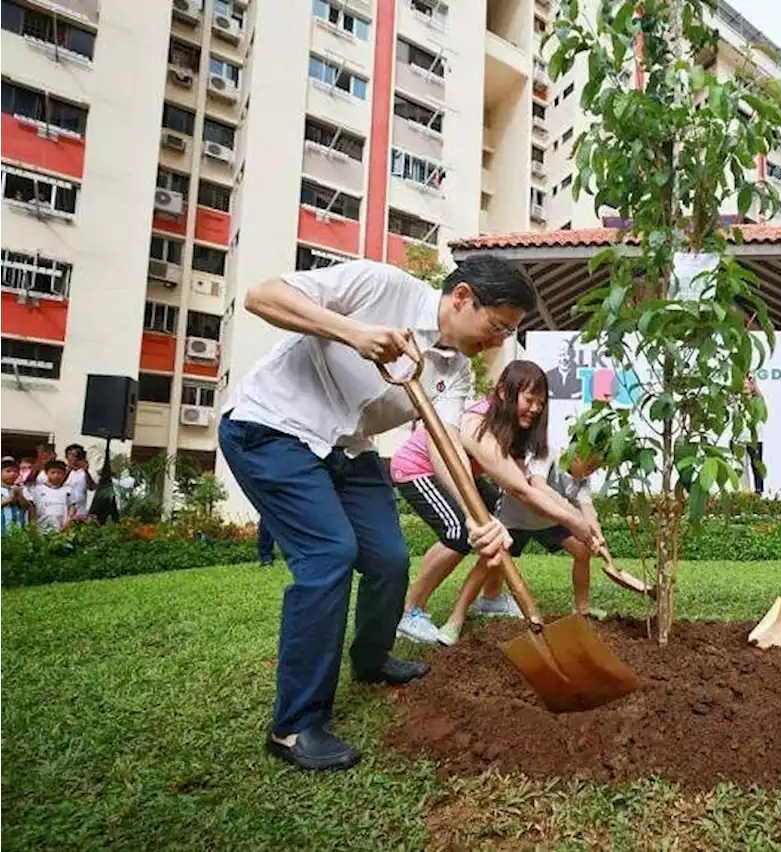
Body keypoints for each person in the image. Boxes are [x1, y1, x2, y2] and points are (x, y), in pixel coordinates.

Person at [218, 255, 535, 772]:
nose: (498, 340)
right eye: (496, 325)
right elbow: (261, 295)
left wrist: (477, 518)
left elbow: (445, 447)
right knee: (329, 555)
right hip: (271, 428)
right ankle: (294, 727)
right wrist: (353, 333)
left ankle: (370, 658)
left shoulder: (454, 370)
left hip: (347, 447)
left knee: (388, 558)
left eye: (507, 332)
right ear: (461, 298)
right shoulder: (382, 285)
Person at [393, 360, 600, 644]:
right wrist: (574, 521)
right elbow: (520, 490)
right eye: (529, 399)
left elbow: (523, 482)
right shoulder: (478, 422)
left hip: (462, 474)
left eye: (541, 403)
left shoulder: (514, 428)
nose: (536, 408)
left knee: (499, 523)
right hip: (419, 469)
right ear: (504, 391)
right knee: (460, 532)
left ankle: (490, 598)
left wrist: (577, 517)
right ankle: (411, 612)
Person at [29, 459, 73, 533]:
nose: (56, 475)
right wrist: (32, 526)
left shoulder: (68, 490)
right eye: (53, 472)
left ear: (64, 474)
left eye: (59, 473)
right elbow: (32, 508)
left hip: (61, 530)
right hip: (42, 529)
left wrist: (68, 521)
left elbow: (72, 507)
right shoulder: (37, 489)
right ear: (46, 473)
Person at [63, 443, 96, 522]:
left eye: (76, 455)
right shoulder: (62, 470)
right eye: (71, 454)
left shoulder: (86, 471)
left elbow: (92, 487)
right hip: (63, 510)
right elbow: (57, 485)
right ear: (66, 456)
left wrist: (86, 471)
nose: (73, 458)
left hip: (80, 512)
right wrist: (68, 470)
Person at [0, 456, 30, 534]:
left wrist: (19, 495)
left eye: (15, 471)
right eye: (8, 471)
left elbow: (27, 506)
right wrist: (10, 499)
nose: (12, 474)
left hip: (19, 529)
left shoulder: (23, 489)